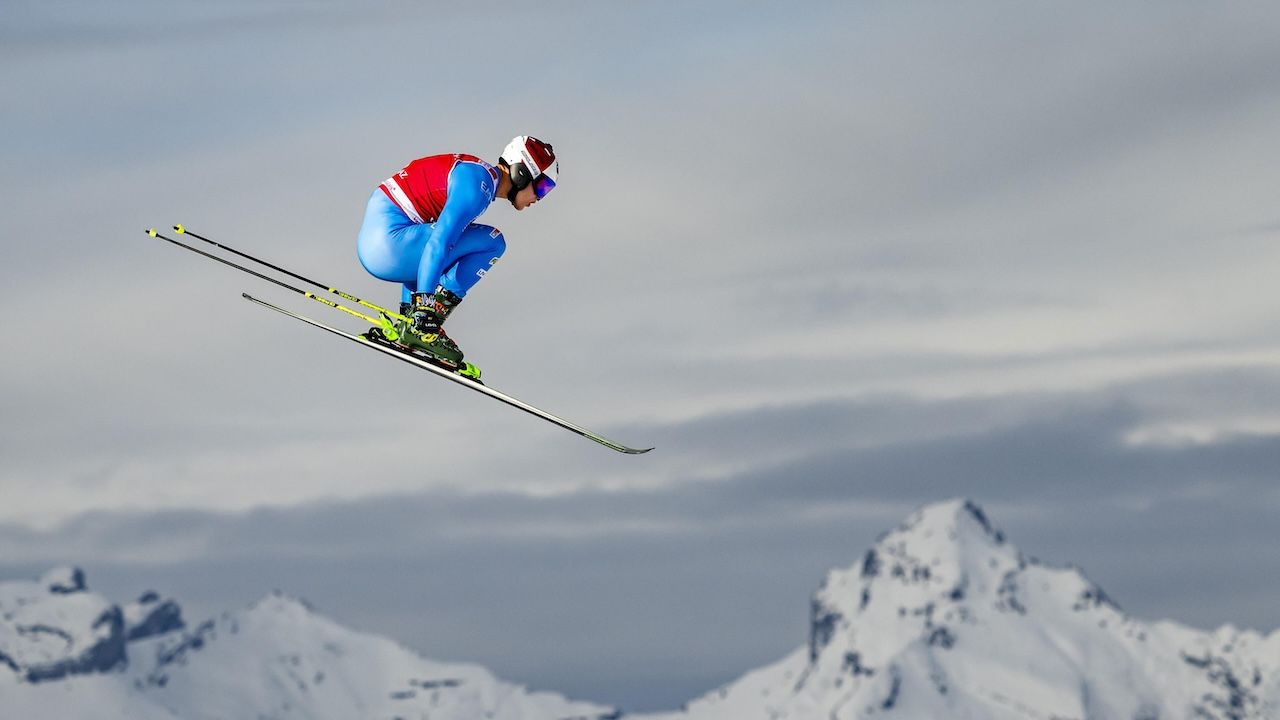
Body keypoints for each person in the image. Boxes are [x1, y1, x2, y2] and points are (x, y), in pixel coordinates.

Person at [355, 136, 558, 380]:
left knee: (454, 243)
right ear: (521, 173)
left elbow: (425, 242)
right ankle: (423, 324)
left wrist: (410, 309)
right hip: (389, 245)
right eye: (543, 187)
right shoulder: (478, 188)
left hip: (383, 242)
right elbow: (437, 244)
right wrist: (425, 311)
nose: (540, 197)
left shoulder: (478, 176)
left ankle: (413, 321)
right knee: (492, 242)